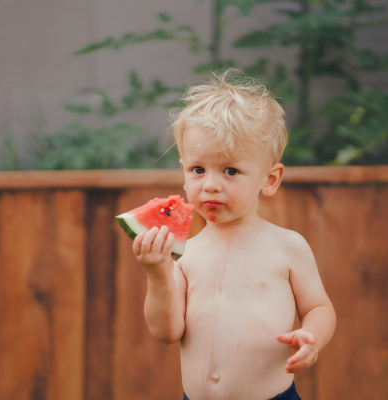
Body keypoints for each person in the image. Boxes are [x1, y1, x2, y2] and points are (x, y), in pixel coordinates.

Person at [131, 70, 336, 400]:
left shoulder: (287, 246)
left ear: (269, 179)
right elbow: (167, 333)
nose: (210, 184)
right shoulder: (187, 253)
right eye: (198, 170)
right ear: (184, 172)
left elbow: (320, 308)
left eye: (230, 171)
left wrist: (312, 335)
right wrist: (157, 275)